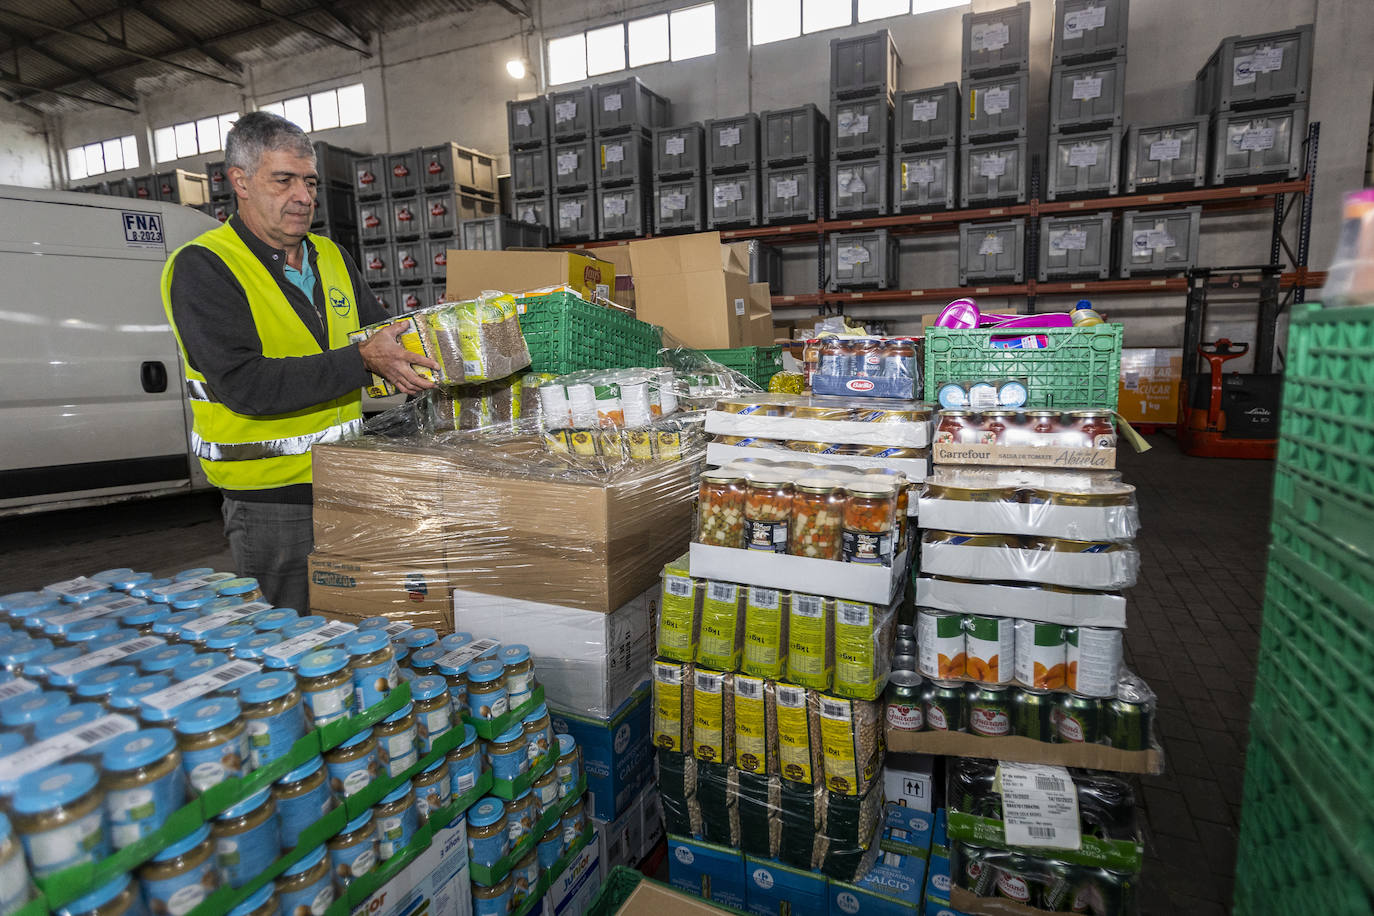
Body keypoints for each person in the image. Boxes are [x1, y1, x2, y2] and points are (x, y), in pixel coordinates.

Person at [161, 111, 436, 611]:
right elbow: (246, 386)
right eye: (283, 180)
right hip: (270, 500)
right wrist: (363, 361)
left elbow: (382, 343)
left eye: (309, 182)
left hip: (346, 485)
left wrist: (450, 351)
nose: (304, 196)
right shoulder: (205, 267)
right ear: (240, 182)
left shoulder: (330, 256)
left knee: (352, 628)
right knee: (290, 640)